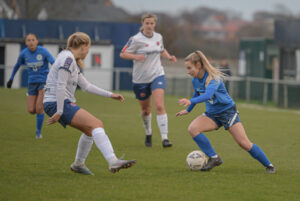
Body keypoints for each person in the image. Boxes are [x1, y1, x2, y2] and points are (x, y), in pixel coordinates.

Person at [43, 32, 136, 175]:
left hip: (58, 102)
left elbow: (87, 86)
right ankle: (112, 161)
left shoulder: (70, 59)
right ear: (83, 46)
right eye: (88, 48)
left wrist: (111, 95)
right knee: (96, 124)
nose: (87, 52)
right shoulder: (67, 59)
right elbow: (60, 86)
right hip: (57, 103)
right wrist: (59, 111)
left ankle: (78, 164)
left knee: (90, 131)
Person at [176, 50, 276, 173]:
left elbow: (208, 95)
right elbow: (197, 92)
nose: (188, 71)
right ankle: (214, 158)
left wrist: (190, 101)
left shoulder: (214, 78)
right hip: (212, 115)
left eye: (189, 68)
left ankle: (269, 165)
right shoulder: (195, 79)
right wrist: (188, 110)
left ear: (198, 65)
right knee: (193, 129)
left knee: (243, 143)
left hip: (228, 113)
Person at [120, 13, 177, 148]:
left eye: (152, 23)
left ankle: (165, 138)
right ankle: (148, 132)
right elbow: (122, 53)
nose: (149, 26)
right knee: (146, 110)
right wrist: (136, 56)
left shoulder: (159, 37)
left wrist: (169, 57)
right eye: (147, 23)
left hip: (157, 74)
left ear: (155, 24)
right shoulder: (135, 39)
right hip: (140, 79)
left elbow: (161, 50)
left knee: (159, 106)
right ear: (142, 24)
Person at [6, 33, 55, 139]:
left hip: (43, 82)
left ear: (37, 41)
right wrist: (11, 78)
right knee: (31, 110)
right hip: (31, 83)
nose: (31, 42)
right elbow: (17, 65)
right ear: (26, 42)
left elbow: (53, 62)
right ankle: (41, 111)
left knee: (38, 108)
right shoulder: (24, 53)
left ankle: (38, 132)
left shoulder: (43, 51)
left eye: (33, 40)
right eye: (29, 40)